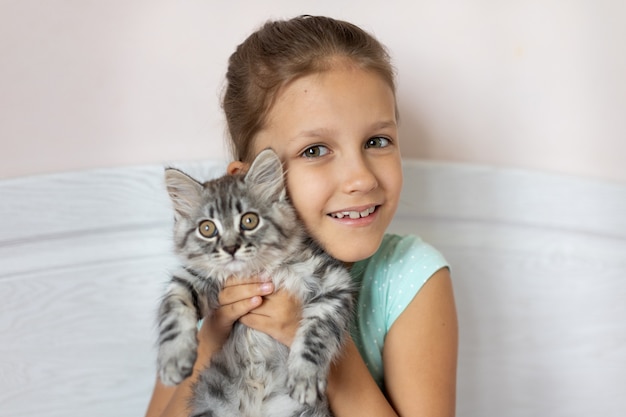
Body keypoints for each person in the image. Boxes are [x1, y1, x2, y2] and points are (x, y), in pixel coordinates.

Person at [145, 15, 457, 417]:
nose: (360, 178)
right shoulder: (221, 276)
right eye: (314, 150)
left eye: (377, 141)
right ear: (254, 185)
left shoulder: (411, 276)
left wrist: (304, 335)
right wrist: (212, 336)